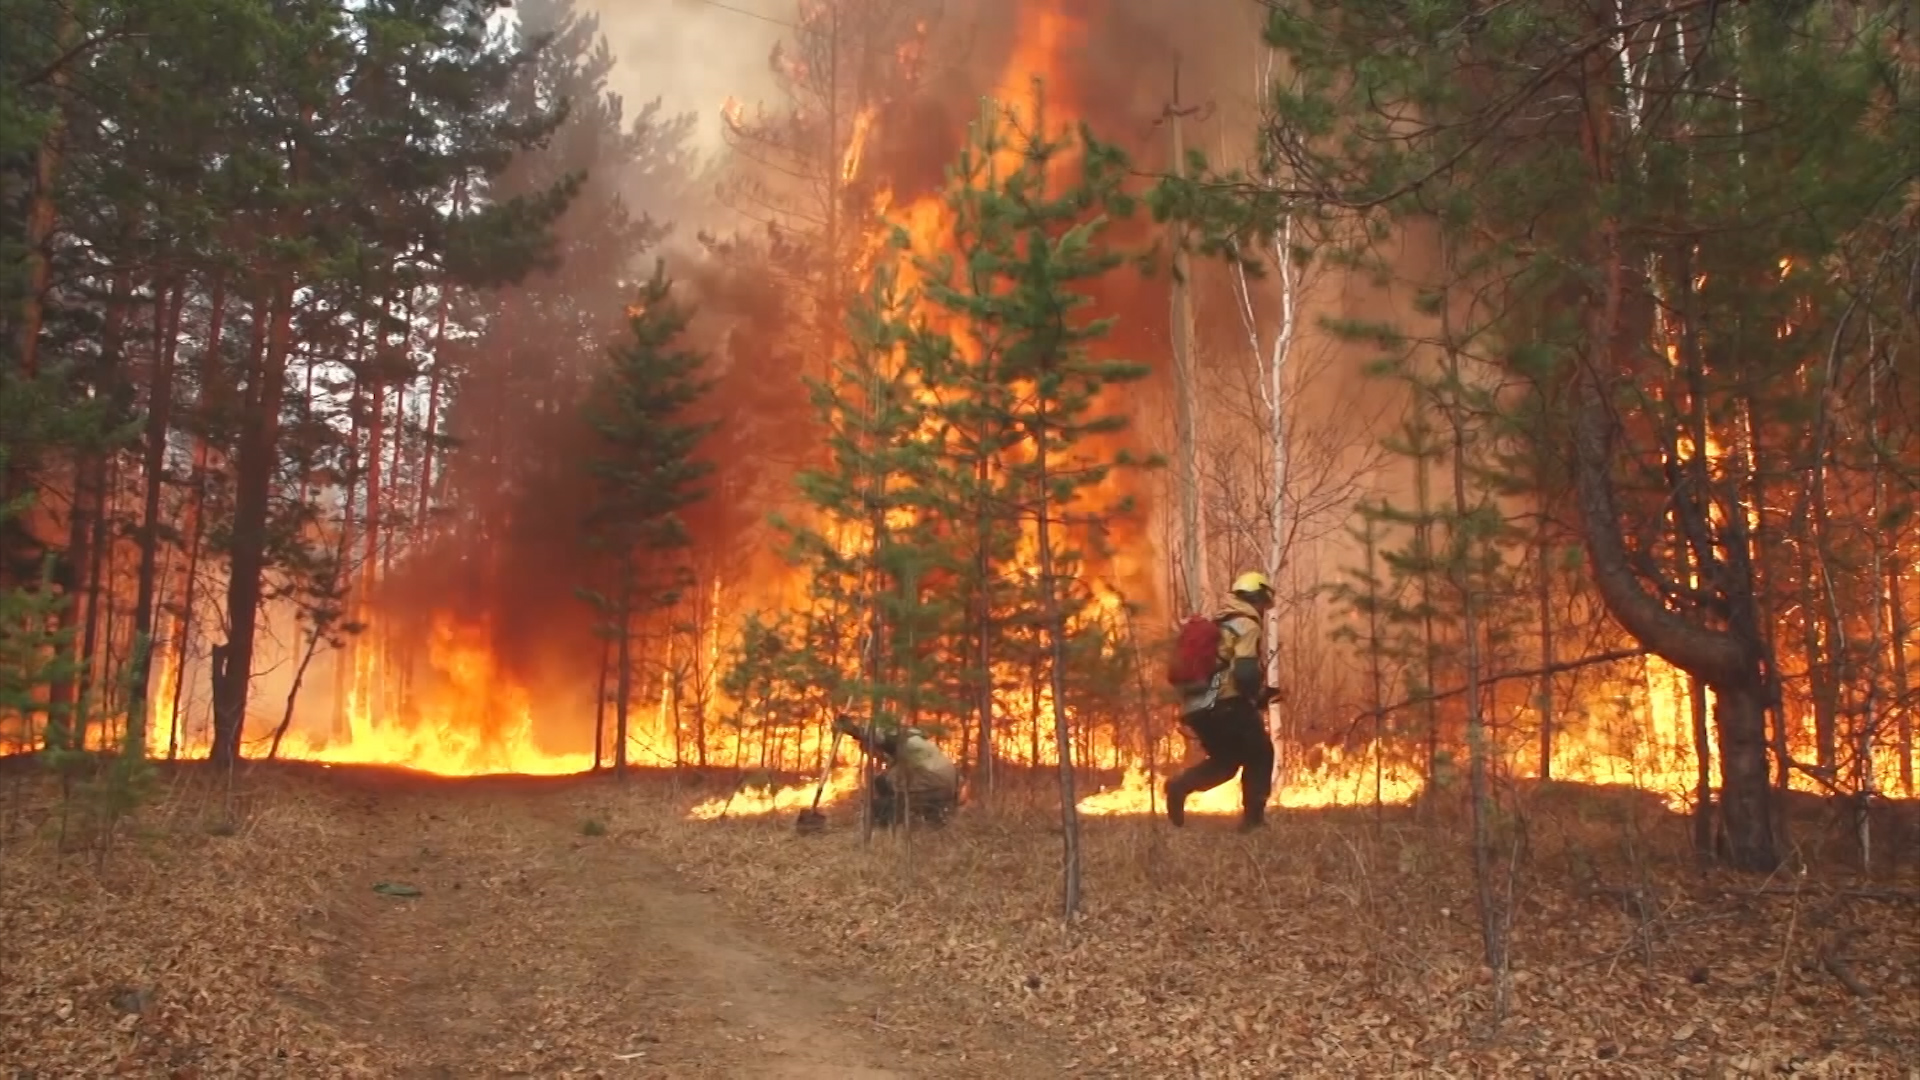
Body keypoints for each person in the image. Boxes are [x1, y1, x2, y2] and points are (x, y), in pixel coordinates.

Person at [1167, 570, 1279, 831]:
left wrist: (1255, 698)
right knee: (1261, 754)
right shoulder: (1247, 623)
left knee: (1226, 762)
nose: (1264, 609)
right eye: (1264, 603)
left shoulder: (1220, 623)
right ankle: (1253, 821)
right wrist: (1256, 696)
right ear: (1258, 597)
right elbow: (1244, 672)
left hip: (1197, 707)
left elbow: (1221, 669)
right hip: (1224, 704)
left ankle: (1179, 786)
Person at [832, 714, 960, 826]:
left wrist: (853, 730)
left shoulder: (901, 741)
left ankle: (891, 817)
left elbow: (880, 738)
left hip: (933, 782)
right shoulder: (916, 740)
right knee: (886, 781)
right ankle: (931, 816)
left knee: (881, 796)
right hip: (946, 785)